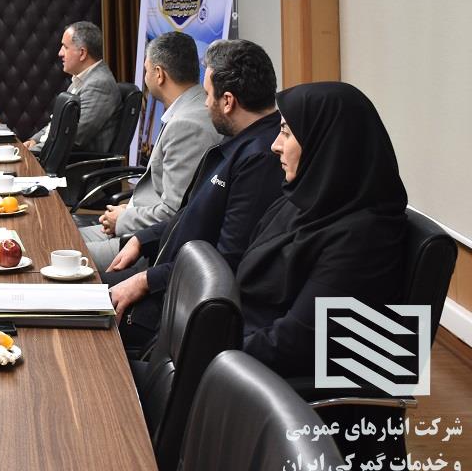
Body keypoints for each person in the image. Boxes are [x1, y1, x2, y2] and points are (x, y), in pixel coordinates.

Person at [104, 39, 284, 351]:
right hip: (169, 280)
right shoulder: (242, 143)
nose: (204, 103)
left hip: (180, 307)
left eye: (208, 94)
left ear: (227, 101)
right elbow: (194, 213)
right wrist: (143, 238)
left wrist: (146, 281)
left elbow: (225, 262)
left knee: (73, 310)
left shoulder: (260, 159)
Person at [237, 81, 407, 377]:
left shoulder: (365, 237)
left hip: (274, 379)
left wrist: (209, 350)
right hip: (242, 340)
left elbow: (293, 343)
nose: (275, 145)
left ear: (328, 142)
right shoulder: (300, 201)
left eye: (286, 132)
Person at [79, 31, 221, 270]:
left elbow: (174, 213)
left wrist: (124, 219)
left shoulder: (188, 124)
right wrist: (128, 211)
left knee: (56, 251)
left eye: (146, 70)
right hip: (136, 222)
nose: (145, 77)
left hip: (150, 245)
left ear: (159, 74)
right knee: (56, 237)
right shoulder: (192, 107)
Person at [25, 21, 120, 155]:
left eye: (65, 47)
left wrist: (30, 153)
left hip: (73, 164)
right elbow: (57, 124)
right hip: (52, 155)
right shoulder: (82, 79)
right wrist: (34, 141)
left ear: (82, 53)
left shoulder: (99, 84)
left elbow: (71, 138)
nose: (60, 53)